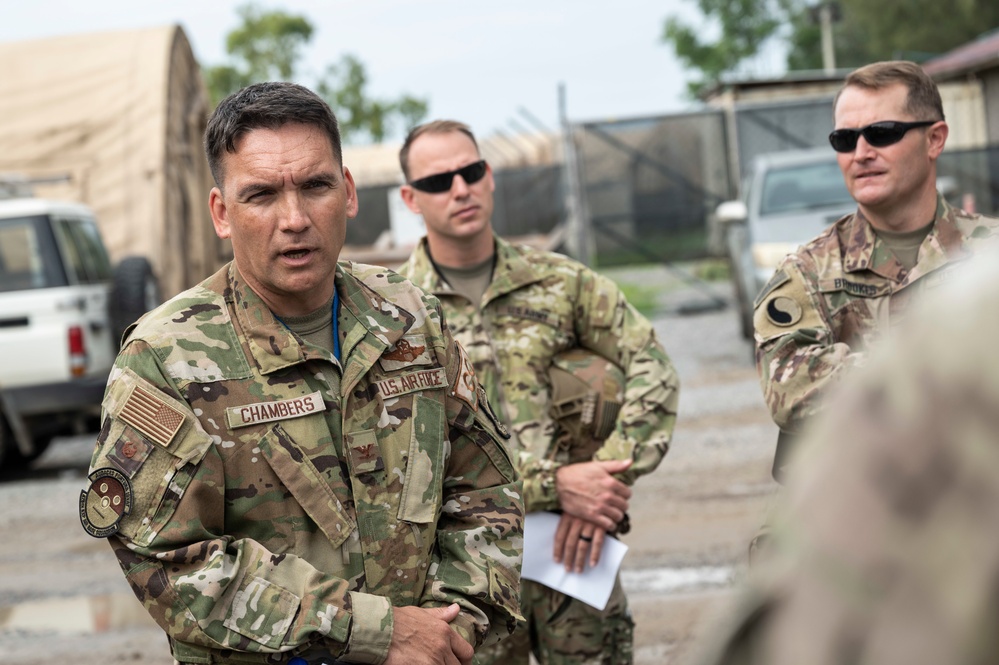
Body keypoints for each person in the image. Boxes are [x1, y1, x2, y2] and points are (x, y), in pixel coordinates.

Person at [78, 82, 524, 665]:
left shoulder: (410, 318)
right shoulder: (167, 356)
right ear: (221, 213)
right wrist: (376, 632)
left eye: (315, 186)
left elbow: (485, 486)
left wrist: (451, 630)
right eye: (261, 195)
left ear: (348, 192)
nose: (294, 219)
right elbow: (167, 559)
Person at [395, 120, 680, 664]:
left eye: (471, 171)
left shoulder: (560, 282)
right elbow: (409, 448)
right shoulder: (395, 312)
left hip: (573, 551)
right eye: (438, 181)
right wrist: (558, 485)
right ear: (410, 197)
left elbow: (653, 363)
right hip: (463, 569)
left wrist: (603, 484)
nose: (461, 189)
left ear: (490, 176)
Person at [701, 247, 999, 665]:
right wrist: (926, 371)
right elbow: (791, 386)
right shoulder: (806, 270)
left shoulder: (983, 250)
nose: (860, 174)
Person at [753, 60, 999, 480]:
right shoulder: (808, 273)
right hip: (862, 516)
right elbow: (791, 390)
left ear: (934, 139)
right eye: (845, 139)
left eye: (882, 134)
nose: (862, 153)